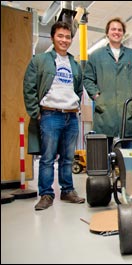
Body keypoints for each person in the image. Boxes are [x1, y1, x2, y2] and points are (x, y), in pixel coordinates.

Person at [23, 21, 85, 210]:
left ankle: (67, 190)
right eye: (60, 36)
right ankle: (46, 194)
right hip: (50, 115)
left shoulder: (75, 64)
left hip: (71, 116)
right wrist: (36, 113)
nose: (64, 40)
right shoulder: (40, 60)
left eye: (68, 37)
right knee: (48, 157)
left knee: (68, 158)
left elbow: (79, 89)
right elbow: (29, 88)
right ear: (52, 37)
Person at [83, 17, 132, 151]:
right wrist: (97, 96)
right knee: (105, 154)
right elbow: (87, 78)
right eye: (113, 29)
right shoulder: (96, 56)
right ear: (107, 33)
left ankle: (126, 172)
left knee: (128, 154)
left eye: (120, 30)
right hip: (105, 110)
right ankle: (108, 171)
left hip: (127, 110)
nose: (116, 32)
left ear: (123, 33)